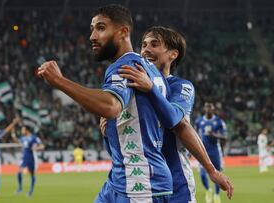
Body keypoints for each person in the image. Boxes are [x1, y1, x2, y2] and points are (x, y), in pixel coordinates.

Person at [38, 4, 194, 202]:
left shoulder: (126, 65)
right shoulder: (148, 69)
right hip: (120, 179)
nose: (92, 36)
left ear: (123, 32)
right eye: (92, 29)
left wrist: (59, 81)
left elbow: (110, 107)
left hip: (140, 184)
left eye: (101, 28)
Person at [100, 26, 234, 203]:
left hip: (176, 184)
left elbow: (178, 123)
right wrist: (107, 132)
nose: (146, 49)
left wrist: (212, 170)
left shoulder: (180, 86)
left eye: (154, 44)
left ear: (173, 54)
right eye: (144, 44)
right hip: (135, 182)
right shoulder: (129, 84)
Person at [195, 102, 227, 203]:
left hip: (215, 151)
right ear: (204, 109)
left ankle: (217, 195)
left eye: (210, 107)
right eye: (206, 107)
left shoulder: (219, 122)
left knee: (218, 173)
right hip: (202, 150)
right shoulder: (199, 121)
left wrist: (215, 135)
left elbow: (225, 136)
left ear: (213, 109)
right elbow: (194, 135)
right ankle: (208, 190)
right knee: (202, 174)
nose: (208, 109)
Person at [12, 125, 45, 197]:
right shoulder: (23, 138)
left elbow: (42, 146)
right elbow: (17, 141)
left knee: (32, 174)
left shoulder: (34, 137)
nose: (22, 131)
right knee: (19, 172)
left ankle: (31, 191)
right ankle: (20, 188)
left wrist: (36, 148)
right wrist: (13, 134)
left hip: (32, 158)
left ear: (27, 130)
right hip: (24, 158)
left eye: (23, 130)